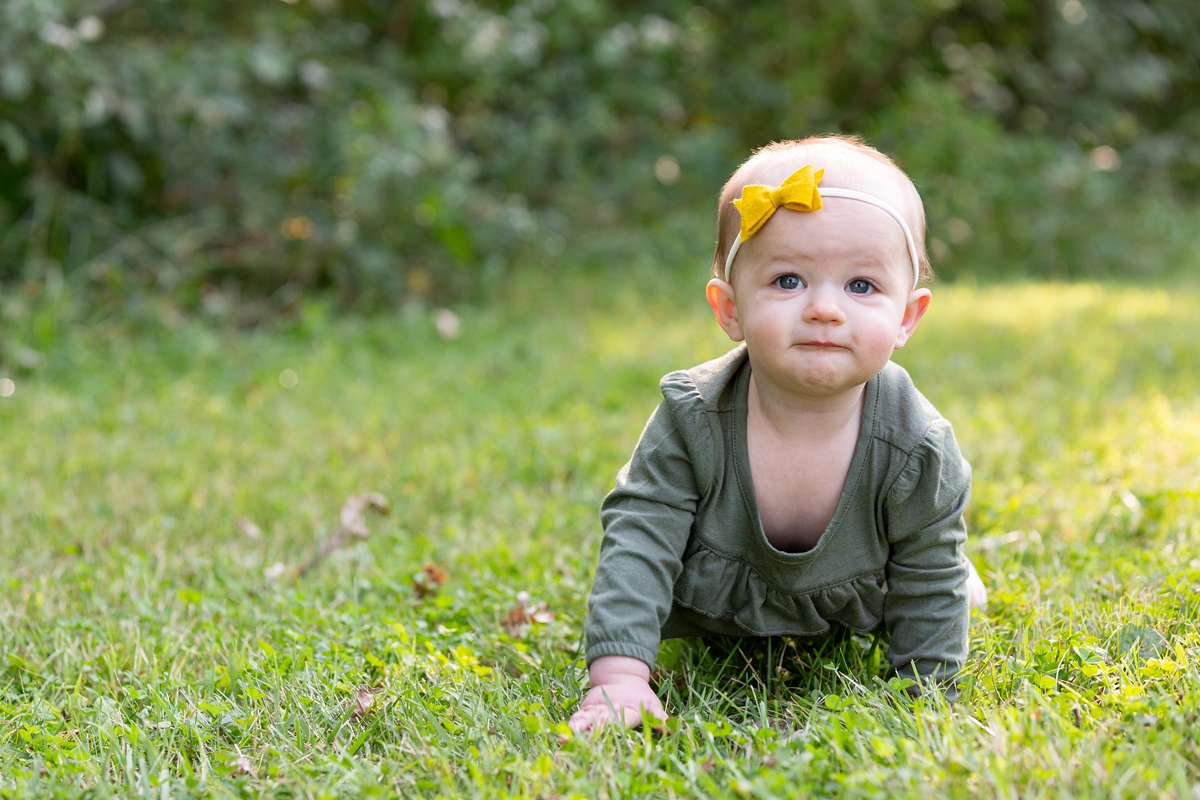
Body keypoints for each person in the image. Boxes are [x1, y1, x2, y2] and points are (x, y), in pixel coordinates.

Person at [569, 135, 987, 733]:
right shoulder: (693, 419)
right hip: (716, 607)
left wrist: (926, 695)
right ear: (729, 308)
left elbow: (927, 584)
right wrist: (620, 680)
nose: (825, 309)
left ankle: (956, 569)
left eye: (861, 286)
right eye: (789, 280)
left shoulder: (915, 444)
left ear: (906, 317)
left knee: (935, 572)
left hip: (852, 601)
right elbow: (639, 541)